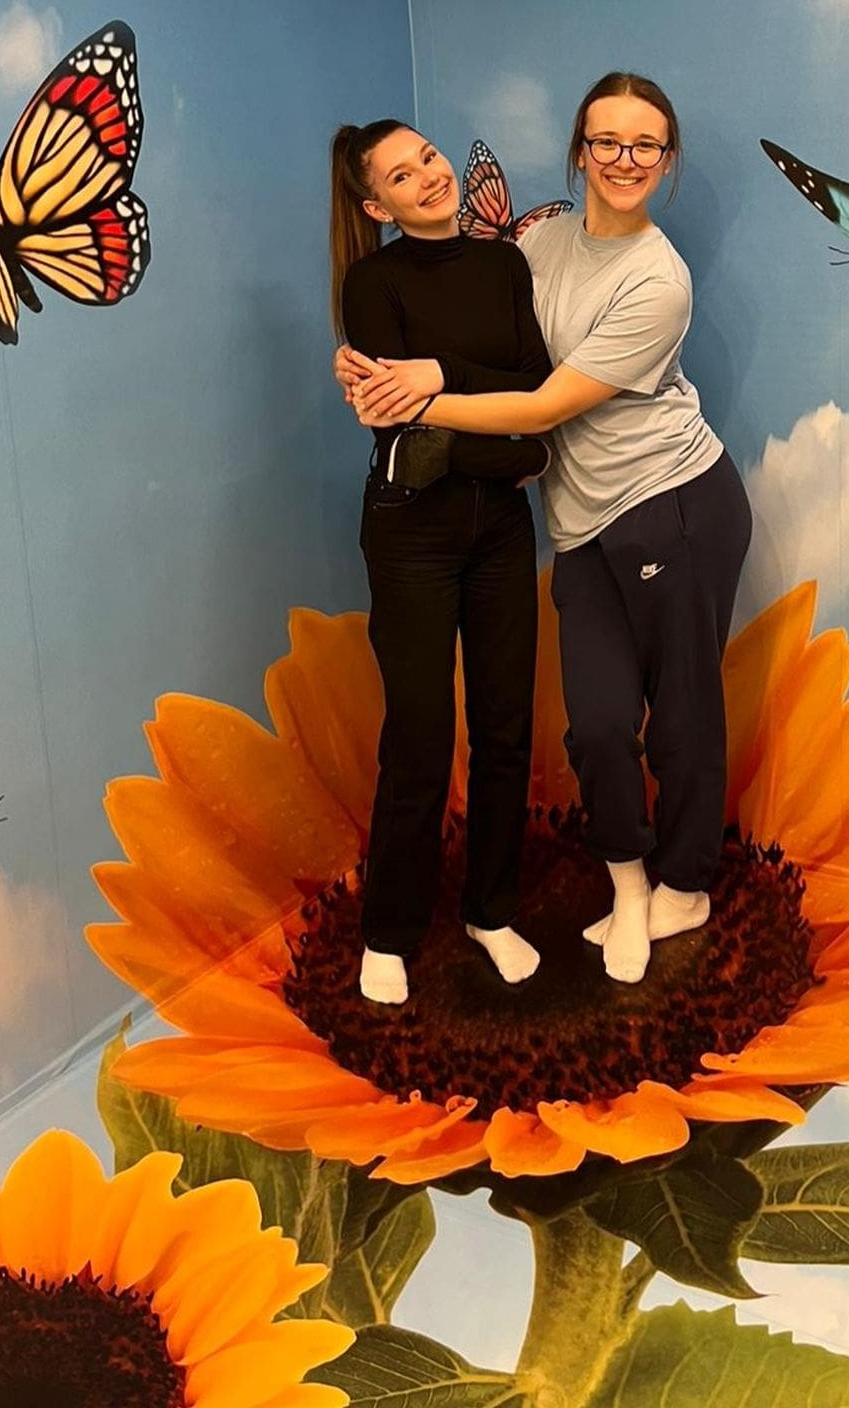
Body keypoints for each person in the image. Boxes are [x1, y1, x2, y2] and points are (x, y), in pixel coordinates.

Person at [345, 74, 752, 986]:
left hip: (671, 498)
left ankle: (681, 886)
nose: (624, 159)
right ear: (579, 151)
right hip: (576, 522)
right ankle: (623, 886)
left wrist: (424, 389)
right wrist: (374, 374)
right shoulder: (535, 244)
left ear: (667, 161)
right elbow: (483, 360)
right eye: (606, 141)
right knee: (596, 726)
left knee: (679, 715)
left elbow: (537, 406)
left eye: (645, 145)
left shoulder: (658, 281)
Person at [330, 119, 553, 1006]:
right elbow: (399, 421)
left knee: (505, 730)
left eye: (427, 156)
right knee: (420, 737)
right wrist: (495, 423)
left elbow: (539, 393)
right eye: (400, 175)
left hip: (502, 528)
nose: (427, 175)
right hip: (411, 528)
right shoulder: (371, 283)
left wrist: (435, 376)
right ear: (375, 206)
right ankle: (389, 930)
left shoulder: (504, 267)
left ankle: (490, 912)